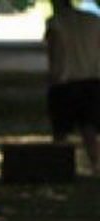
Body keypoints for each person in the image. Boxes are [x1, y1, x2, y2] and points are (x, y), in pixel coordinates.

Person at [45, 0, 100, 174]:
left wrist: (53, 75)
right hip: (92, 80)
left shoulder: (55, 22)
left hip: (65, 82)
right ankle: (96, 165)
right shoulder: (93, 20)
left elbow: (54, 49)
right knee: (90, 129)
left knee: (61, 131)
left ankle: (59, 168)